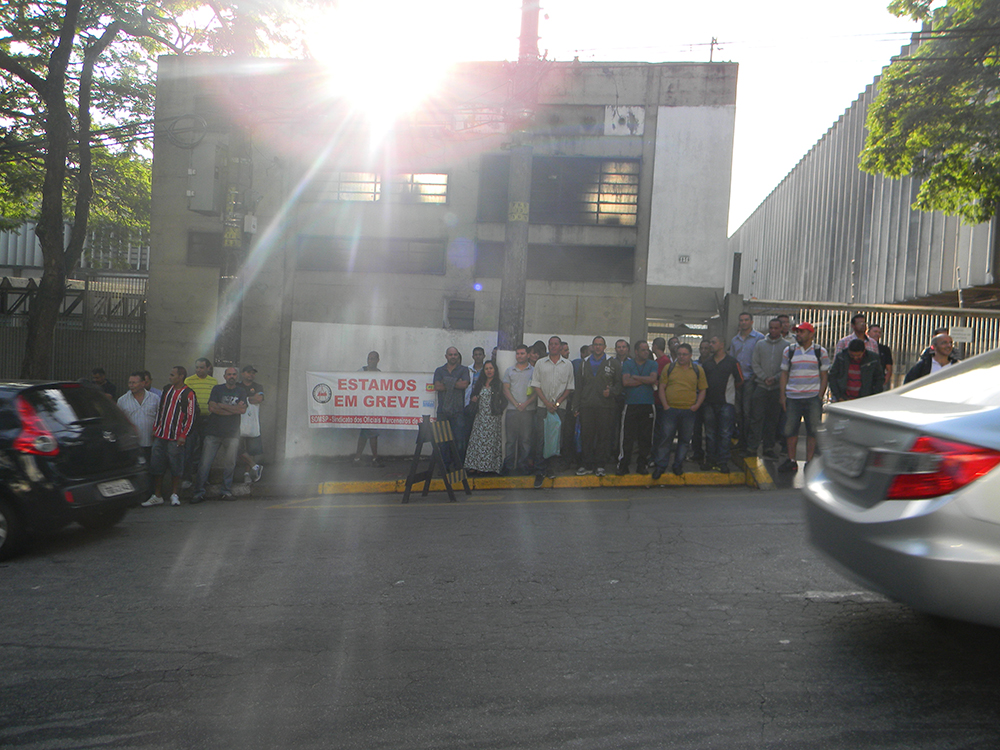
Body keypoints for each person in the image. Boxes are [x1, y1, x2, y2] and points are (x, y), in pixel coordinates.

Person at [778, 322, 830, 472]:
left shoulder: (820, 352)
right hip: (793, 396)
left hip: (812, 396)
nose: (798, 335)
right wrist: (783, 395)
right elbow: (784, 374)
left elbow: (824, 375)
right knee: (790, 430)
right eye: (797, 332)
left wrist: (819, 395)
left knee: (812, 430)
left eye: (802, 332)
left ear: (811, 334)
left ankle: (810, 461)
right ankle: (791, 460)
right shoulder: (789, 351)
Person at [192, 366, 248, 503]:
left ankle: (226, 491)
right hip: (213, 432)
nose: (231, 376)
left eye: (234, 374)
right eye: (229, 374)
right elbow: (212, 408)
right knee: (205, 464)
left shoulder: (241, 391)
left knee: (230, 464)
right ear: (224, 376)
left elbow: (242, 410)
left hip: (232, 434)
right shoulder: (217, 389)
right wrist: (233, 409)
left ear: (237, 376)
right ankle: (198, 493)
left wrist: (222, 406)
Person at [652, 343, 707, 479]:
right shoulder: (669, 368)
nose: (681, 357)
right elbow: (662, 387)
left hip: (689, 411)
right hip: (670, 410)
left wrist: (697, 405)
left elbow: (703, 389)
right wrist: (665, 405)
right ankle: (661, 466)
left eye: (685, 354)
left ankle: (678, 465)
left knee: (684, 440)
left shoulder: (697, 370)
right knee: (665, 439)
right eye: (679, 354)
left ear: (690, 355)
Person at [143, 366, 195, 507]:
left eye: (172, 375)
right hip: (161, 434)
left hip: (175, 436)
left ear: (181, 376)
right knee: (157, 465)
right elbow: (160, 409)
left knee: (176, 466)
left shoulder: (188, 393)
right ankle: (157, 495)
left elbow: (190, 417)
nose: (170, 377)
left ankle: (174, 494)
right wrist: (155, 428)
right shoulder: (166, 389)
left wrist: (183, 435)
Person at [574, 336, 622, 477]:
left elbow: (619, 385)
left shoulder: (613, 363)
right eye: (595, 344)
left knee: (603, 436)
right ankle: (587, 465)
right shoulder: (584, 363)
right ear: (592, 346)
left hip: (605, 406)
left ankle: (600, 465)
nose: (598, 347)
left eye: (600, 344)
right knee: (586, 436)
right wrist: (576, 406)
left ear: (605, 347)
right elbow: (578, 387)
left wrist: (611, 392)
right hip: (586, 405)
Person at [531, 335, 575, 487]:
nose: (553, 346)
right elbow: (536, 385)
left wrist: (556, 403)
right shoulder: (540, 363)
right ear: (548, 346)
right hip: (543, 407)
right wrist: (546, 402)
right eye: (551, 344)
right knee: (541, 439)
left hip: (559, 408)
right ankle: (540, 471)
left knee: (555, 439)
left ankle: (551, 469)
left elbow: (569, 387)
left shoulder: (567, 365)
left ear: (560, 346)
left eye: (556, 344)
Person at [701, 336, 743, 473]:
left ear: (722, 344)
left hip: (726, 403)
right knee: (710, 434)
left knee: (725, 434)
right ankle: (710, 460)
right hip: (709, 403)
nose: (710, 345)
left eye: (713, 342)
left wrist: (729, 393)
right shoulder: (707, 363)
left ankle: (723, 462)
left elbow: (740, 381)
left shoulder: (732, 362)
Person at [748, 319, 786, 459]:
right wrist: (764, 378)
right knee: (756, 417)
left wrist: (775, 378)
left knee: (772, 419)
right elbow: (755, 363)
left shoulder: (787, 346)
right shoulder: (760, 344)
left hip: (776, 388)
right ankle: (752, 446)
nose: (773, 330)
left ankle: (768, 447)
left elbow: (786, 367)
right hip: (761, 386)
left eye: (776, 328)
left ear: (781, 329)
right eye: (771, 328)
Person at [618, 339, 657, 475]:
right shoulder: (628, 364)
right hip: (631, 405)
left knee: (645, 437)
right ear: (636, 352)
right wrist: (645, 380)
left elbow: (653, 379)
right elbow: (626, 382)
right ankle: (624, 465)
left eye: (647, 350)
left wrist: (635, 377)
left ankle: (642, 464)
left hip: (647, 405)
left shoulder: (653, 364)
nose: (646, 352)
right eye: (643, 350)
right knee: (627, 437)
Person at [729, 312, 764, 455]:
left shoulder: (759, 338)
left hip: (751, 379)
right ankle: (741, 441)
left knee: (748, 412)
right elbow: (732, 360)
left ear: (751, 322)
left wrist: (756, 375)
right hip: (738, 380)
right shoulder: (735, 340)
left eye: (746, 320)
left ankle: (750, 444)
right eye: (741, 320)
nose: (743, 322)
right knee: (738, 412)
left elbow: (761, 358)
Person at [464, 362, 505, 474]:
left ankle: (486, 467)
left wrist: (499, 410)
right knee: (477, 442)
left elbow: (504, 400)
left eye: (491, 368)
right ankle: (474, 465)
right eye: (486, 369)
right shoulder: (480, 383)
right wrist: (474, 399)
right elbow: (473, 395)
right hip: (480, 416)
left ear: (495, 370)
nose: (489, 371)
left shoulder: (498, 384)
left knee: (489, 443)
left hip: (492, 418)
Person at [501, 344, 536, 475]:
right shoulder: (509, 370)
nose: (519, 356)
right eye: (518, 353)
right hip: (512, 410)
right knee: (510, 440)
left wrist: (525, 404)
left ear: (528, 355)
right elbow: (505, 389)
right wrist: (516, 404)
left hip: (528, 410)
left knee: (526, 440)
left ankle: (523, 466)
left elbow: (537, 391)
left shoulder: (534, 371)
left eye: (522, 353)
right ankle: (509, 466)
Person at [433, 347, 471, 467]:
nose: (453, 357)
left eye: (455, 354)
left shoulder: (464, 370)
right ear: (446, 356)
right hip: (442, 411)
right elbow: (437, 387)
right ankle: (445, 467)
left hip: (458, 411)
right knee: (442, 441)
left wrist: (446, 381)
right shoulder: (439, 370)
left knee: (459, 440)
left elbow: (464, 384)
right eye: (450, 354)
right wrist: (455, 382)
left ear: (458, 356)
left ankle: (458, 466)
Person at [183, 357, 217, 486]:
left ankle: (203, 478)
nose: (198, 370)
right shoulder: (188, 381)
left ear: (208, 368)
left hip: (208, 420)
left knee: (205, 450)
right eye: (197, 367)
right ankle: (187, 478)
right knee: (189, 448)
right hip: (192, 420)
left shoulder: (213, 382)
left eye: (201, 367)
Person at [117, 371, 160, 466]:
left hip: (150, 442)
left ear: (143, 383)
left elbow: (160, 417)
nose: (131, 385)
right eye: (129, 383)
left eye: (134, 383)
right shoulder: (122, 400)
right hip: (132, 444)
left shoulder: (155, 398)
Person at [353, 352, 383, 468]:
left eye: (373, 359)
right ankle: (374, 458)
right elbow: (352, 385)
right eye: (369, 358)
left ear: (377, 360)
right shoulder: (361, 372)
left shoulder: (379, 374)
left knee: (366, 433)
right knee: (372, 432)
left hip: (374, 408)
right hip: (363, 407)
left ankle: (357, 458)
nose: (370, 361)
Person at [238, 365, 266, 480]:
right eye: (249, 372)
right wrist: (250, 398)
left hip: (252, 421)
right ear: (243, 373)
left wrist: (245, 398)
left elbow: (258, 399)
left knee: (252, 450)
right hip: (238, 421)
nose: (251, 375)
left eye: (253, 373)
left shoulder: (258, 386)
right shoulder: (238, 386)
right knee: (237, 448)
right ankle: (255, 466)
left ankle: (247, 473)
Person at [867, 323, 894, 387]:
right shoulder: (862, 346)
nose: (877, 334)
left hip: (877, 380)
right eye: (875, 331)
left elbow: (889, 368)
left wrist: (884, 381)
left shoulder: (884, 349)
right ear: (867, 333)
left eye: (879, 332)